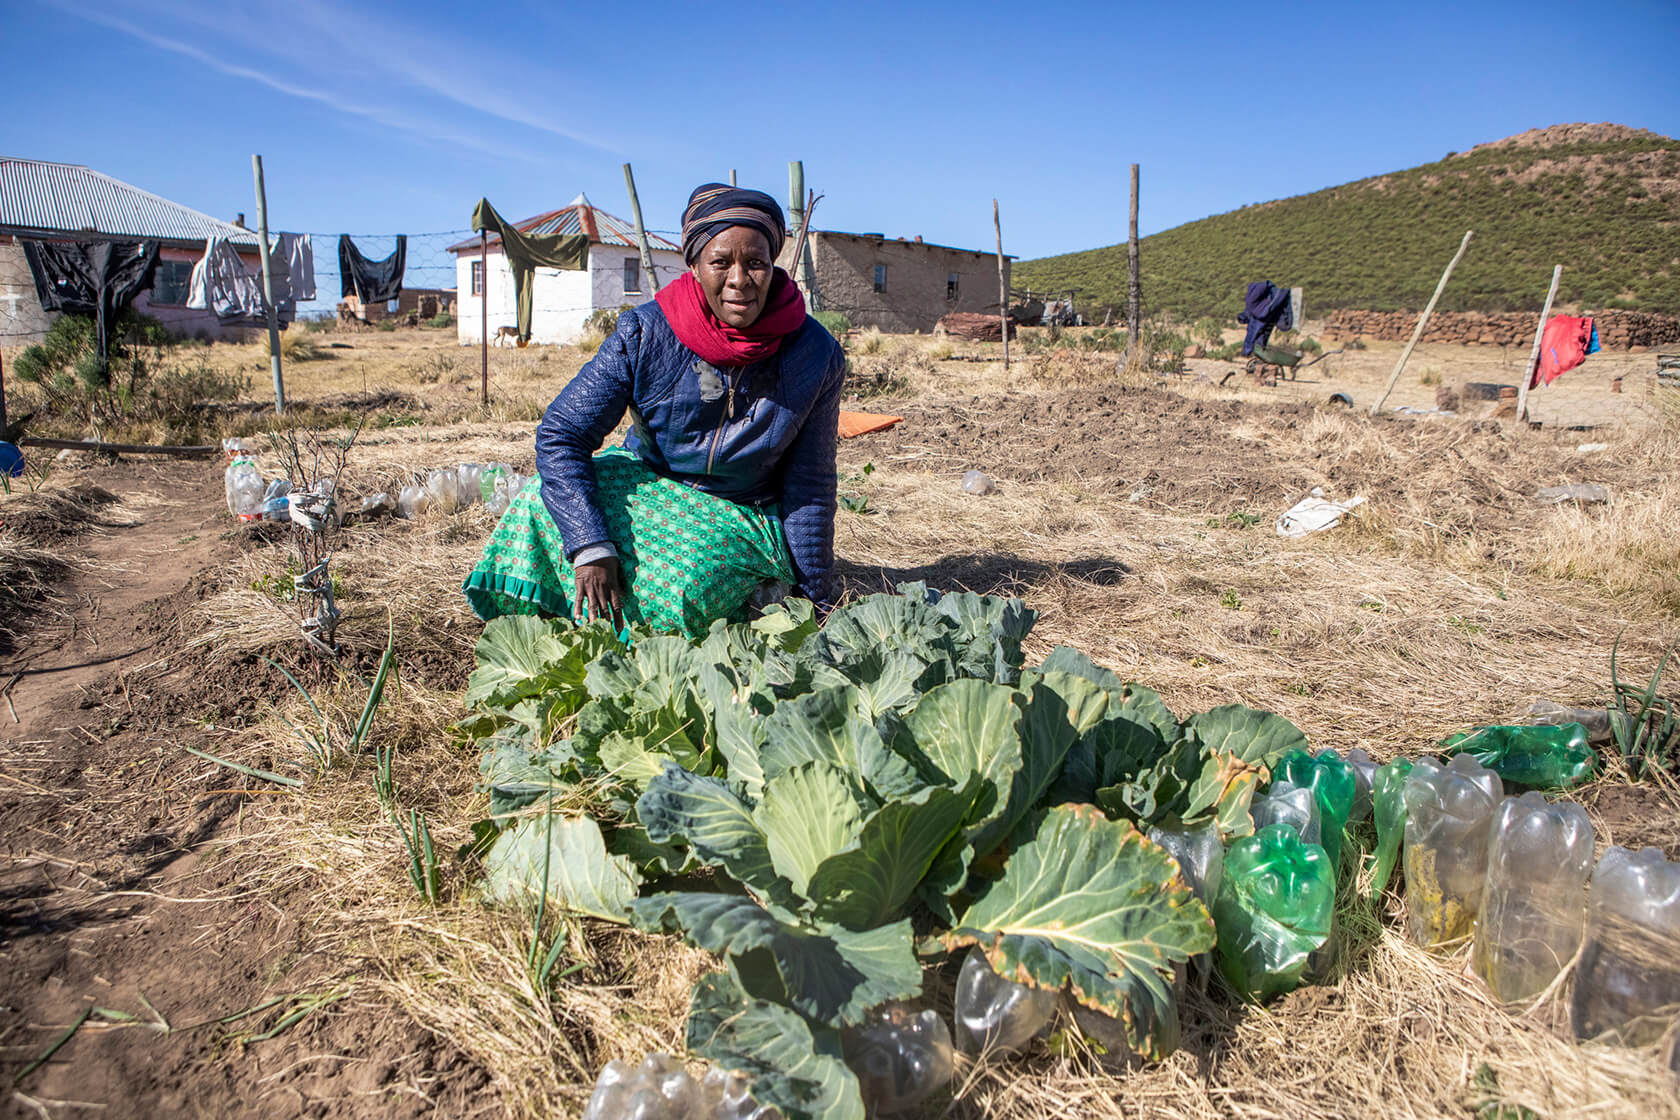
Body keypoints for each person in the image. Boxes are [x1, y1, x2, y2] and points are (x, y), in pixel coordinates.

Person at [463, 183, 845, 637]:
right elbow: (561, 434)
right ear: (695, 265)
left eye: (756, 263)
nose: (740, 279)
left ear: (772, 265)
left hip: (742, 507)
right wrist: (588, 545)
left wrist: (816, 598)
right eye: (721, 262)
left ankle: (674, 620)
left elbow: (810, 485)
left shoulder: (814, 354)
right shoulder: (647, 331)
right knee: (535, 504)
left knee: (691, 585)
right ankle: (564, 622)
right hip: (649, 479)